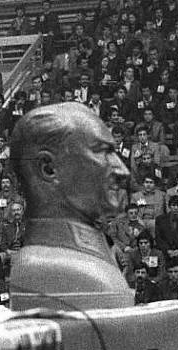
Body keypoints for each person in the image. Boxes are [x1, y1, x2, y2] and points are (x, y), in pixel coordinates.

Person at [8, 102, 135, 310]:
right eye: (102, 151)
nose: (123, 171)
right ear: (49, 168)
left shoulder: (88, 251)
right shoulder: (48, 266)